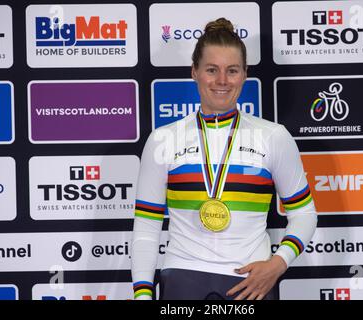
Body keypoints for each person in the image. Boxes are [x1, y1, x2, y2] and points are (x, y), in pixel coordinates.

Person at [131, 17, 317, 300]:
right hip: (183, 278)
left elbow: (304, 214)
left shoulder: (273, 136)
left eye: (232, 70)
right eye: (211, 70)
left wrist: (277, 264)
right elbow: (147, 226)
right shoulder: (163, 140)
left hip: (251, 284)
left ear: (244, 73)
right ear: (194, 72)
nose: (221, 81)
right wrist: (142, 295)